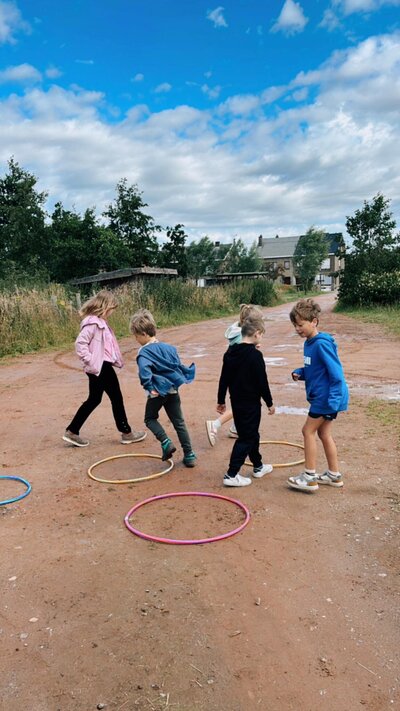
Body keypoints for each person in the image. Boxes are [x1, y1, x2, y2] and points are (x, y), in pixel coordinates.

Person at [63, 290, 146, 447]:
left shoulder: (100, 323)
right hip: (100, 366)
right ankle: (127, 433)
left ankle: (72, 431)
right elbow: (80, 344)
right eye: (112, 308)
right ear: (106, 306)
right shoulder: (93, 323)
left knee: (94, 399)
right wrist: (92, 361)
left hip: (102, 365)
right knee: (116, 398)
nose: (113, 311)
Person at [287, 298, 349, 493]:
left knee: (308, 431)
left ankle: (309, 477)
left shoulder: (321, 344)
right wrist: (301, 372)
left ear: (314, 321)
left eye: (301, 324)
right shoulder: (309, 343)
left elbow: (336, 374)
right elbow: (315, 370)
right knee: (323, 433)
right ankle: (333, 475)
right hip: (325, 396)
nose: (298, 329)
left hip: (326, 398)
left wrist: (333, 401)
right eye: (295, 325)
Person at [130, 308, 197, 467]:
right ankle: (189, 455)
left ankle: (166, 442)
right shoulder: (169, 348)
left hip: (156, 393)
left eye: (136, 336)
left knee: (150, 418)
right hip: (173, 391)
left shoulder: (143, 353)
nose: (136, 339)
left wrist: (149, 387)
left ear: (144, 334)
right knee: (179, 422)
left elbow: (144, 372)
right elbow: (177, 366)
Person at [217, 316, 275, 487]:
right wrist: (269, 403)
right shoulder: (255, 356)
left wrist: (220, 400)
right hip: (251, 404)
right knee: (246, 437)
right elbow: (262, 382)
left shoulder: (229, 353)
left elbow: (223, 379)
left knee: (251, 434)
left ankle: (258, 466)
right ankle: (231, 474)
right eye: (262, 335)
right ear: (256, 334)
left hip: (236, 402)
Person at [206, 303, 264, 446]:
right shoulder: (241, 337)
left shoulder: (236, 330)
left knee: (243, 403)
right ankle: (215, 424)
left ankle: (235, 428)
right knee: (245, 405)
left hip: (236, 372)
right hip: (242, 375)